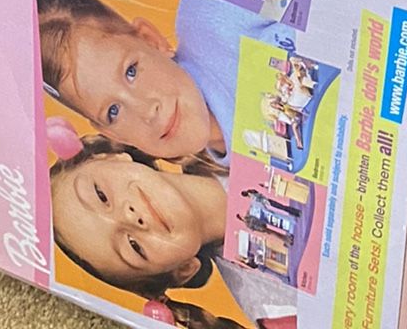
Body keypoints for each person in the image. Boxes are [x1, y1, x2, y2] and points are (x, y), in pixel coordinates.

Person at [35, 0, 288, 167]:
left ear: (152, 40)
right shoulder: (223, 183)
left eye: (131, 72)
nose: (146, 110)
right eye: (113, 111)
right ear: (110, 134)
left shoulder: (211, 13)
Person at [49, 133, 293, 328]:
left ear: (112, 157)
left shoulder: (224, 127)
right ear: (183, 270)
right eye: (134, 246)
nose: (130, 216)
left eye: (100, 195)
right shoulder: (274, 308)